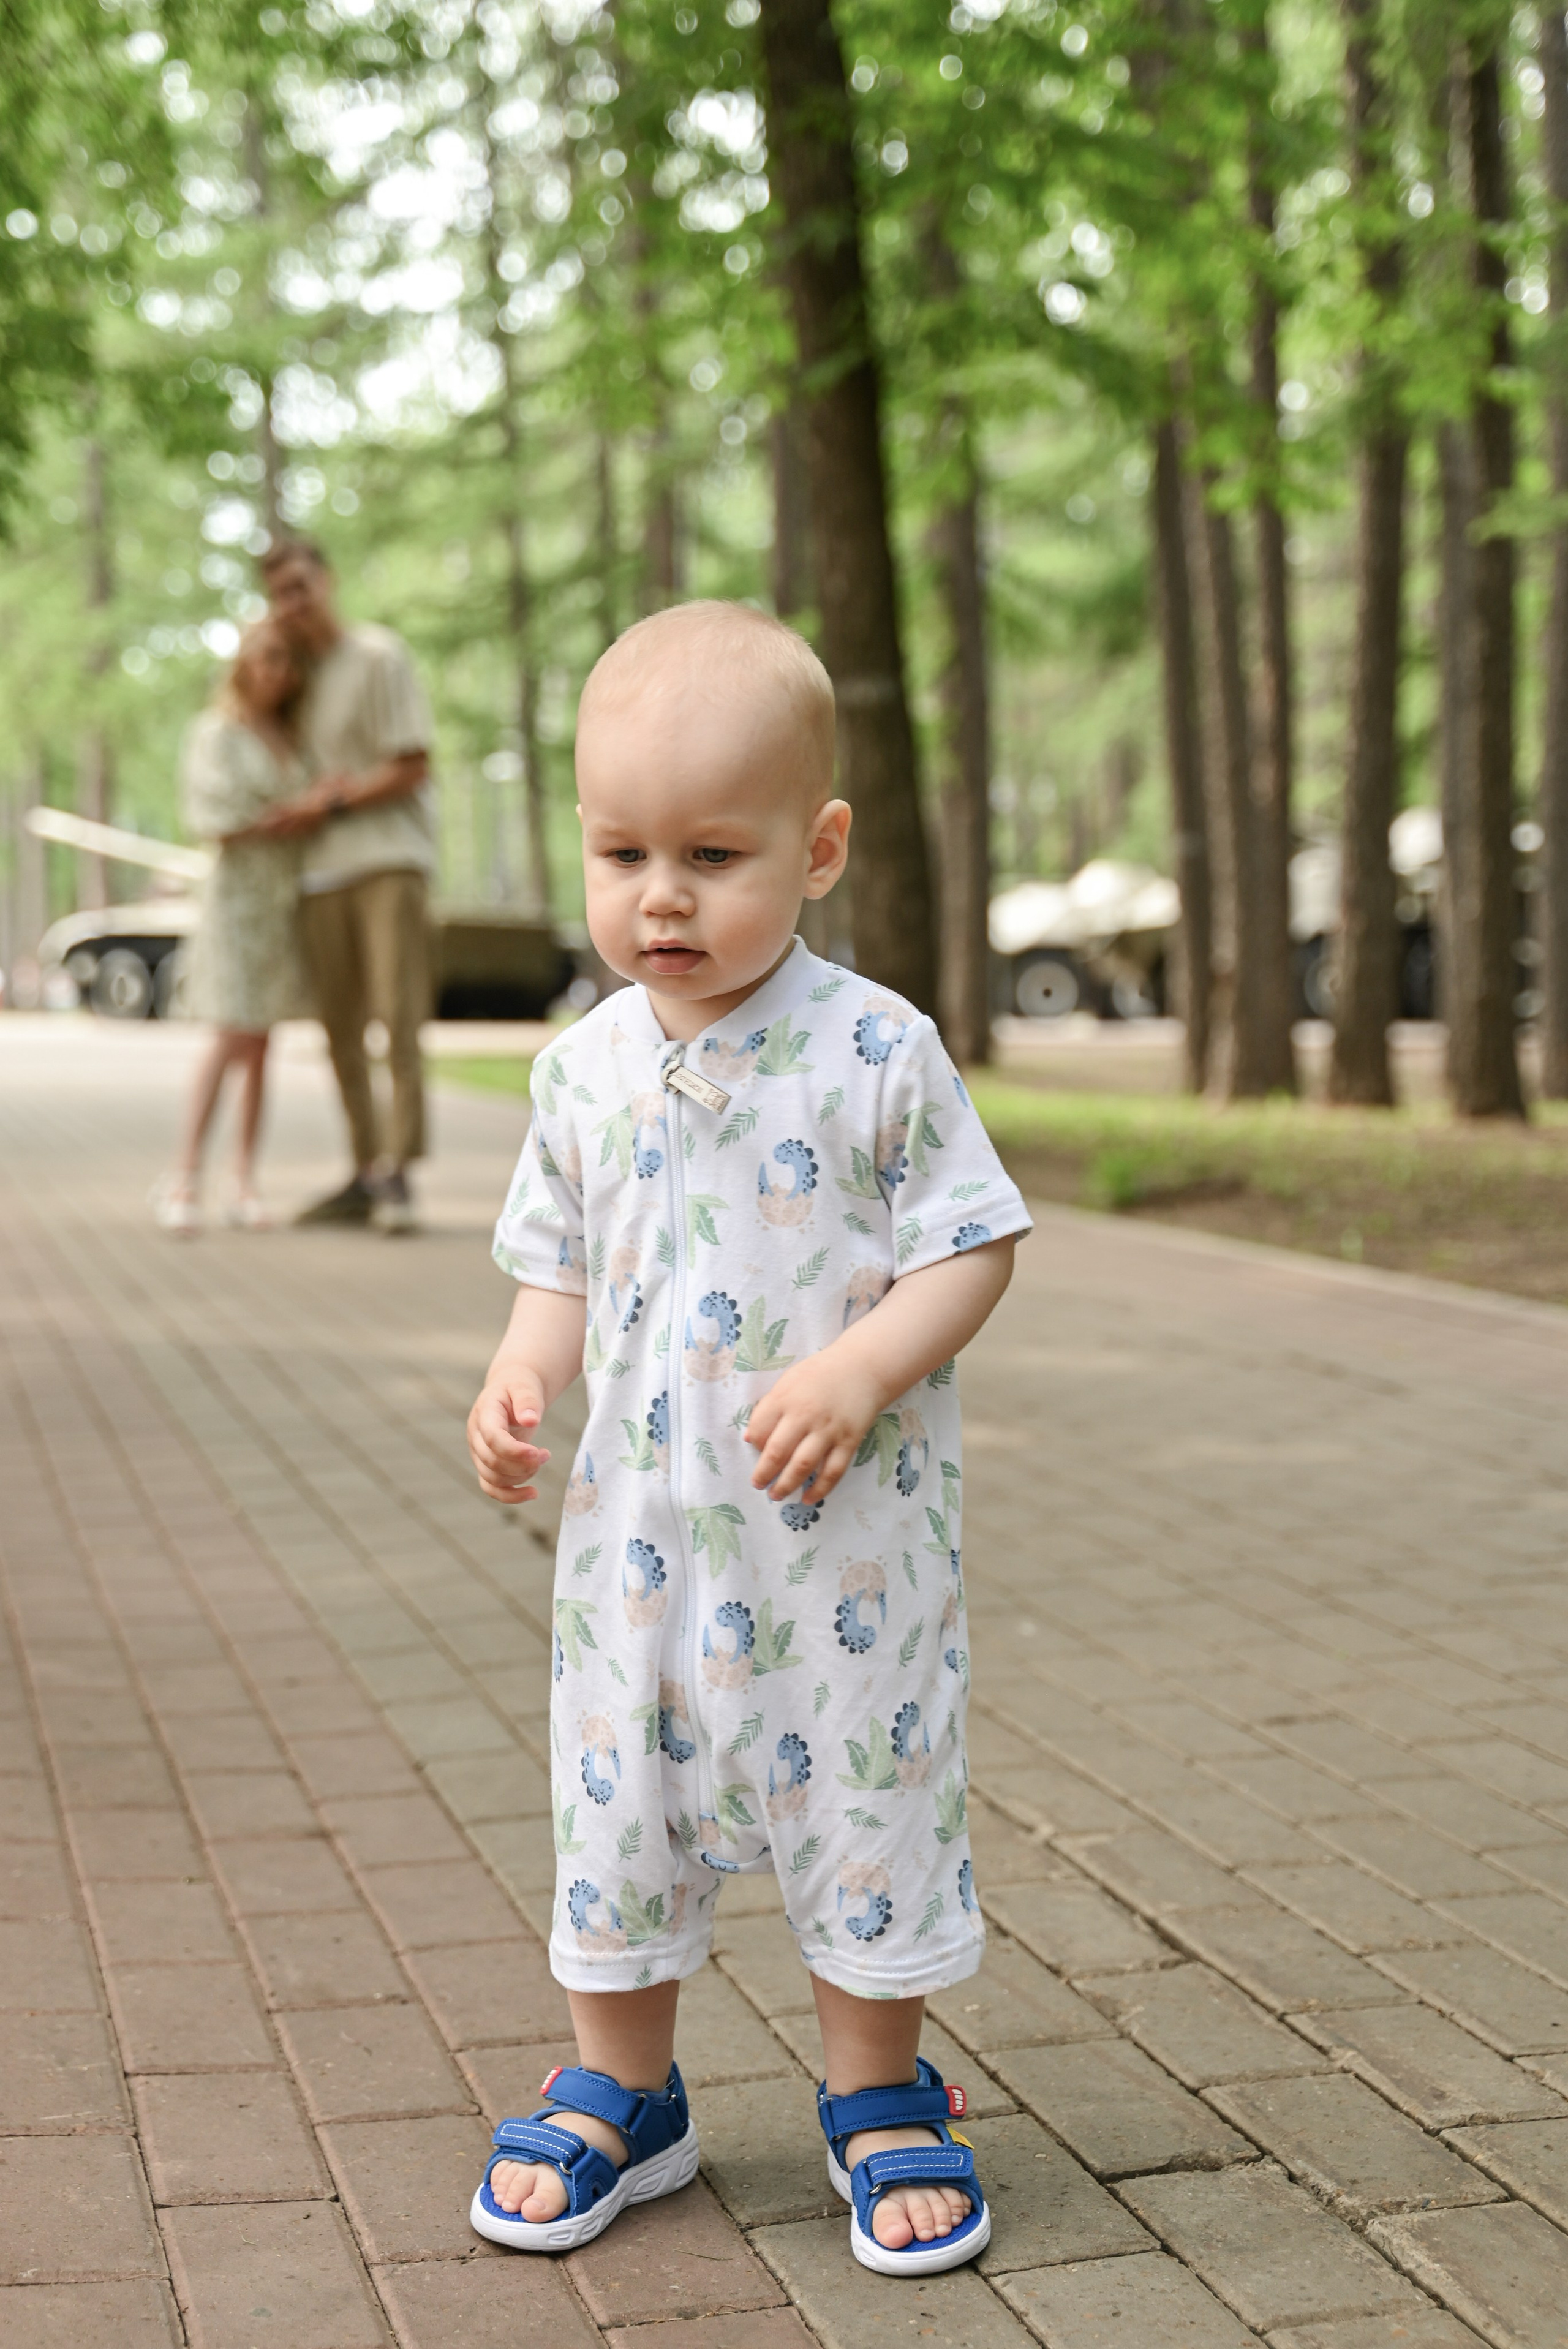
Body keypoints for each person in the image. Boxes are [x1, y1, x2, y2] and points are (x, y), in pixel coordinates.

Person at [464, 601, 1031, 2277]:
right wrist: (517, 1377)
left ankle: (878, 2085)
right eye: (623, 850)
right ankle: (623, 2087)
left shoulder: (873, 1051)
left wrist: (862, 1369)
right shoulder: (580, 1075)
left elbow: (973, 1241)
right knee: (617, 1803)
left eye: (715, 852)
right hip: (638, 1552)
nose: (663, 895)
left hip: (839, 1540)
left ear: (821, 845)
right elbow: (556, 1262)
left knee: (869, 1796)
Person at [257, 537, 434, 1235]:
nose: (292, 604)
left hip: (388, 861)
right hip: (317, 873)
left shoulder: (378, 656)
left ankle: (399, 1175)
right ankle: (363, 1172)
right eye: (278, 594)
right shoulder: (295, 679)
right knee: (338, 1031)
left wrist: (329, 803)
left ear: (326, 582)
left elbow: (413, 764)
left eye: (301, 586)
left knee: (398, 1017)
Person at [155, 618, 309, 1235]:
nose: (277, 672)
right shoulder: (215, 732)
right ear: (245, 662)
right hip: (234, 897)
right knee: (227, 1031)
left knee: (262, 1038)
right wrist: (291, 813)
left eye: (287, 662)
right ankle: (184, 1174)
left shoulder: (291, 736)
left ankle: (243, 1179)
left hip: (282, 900)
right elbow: (212, 815)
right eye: (267, 658)